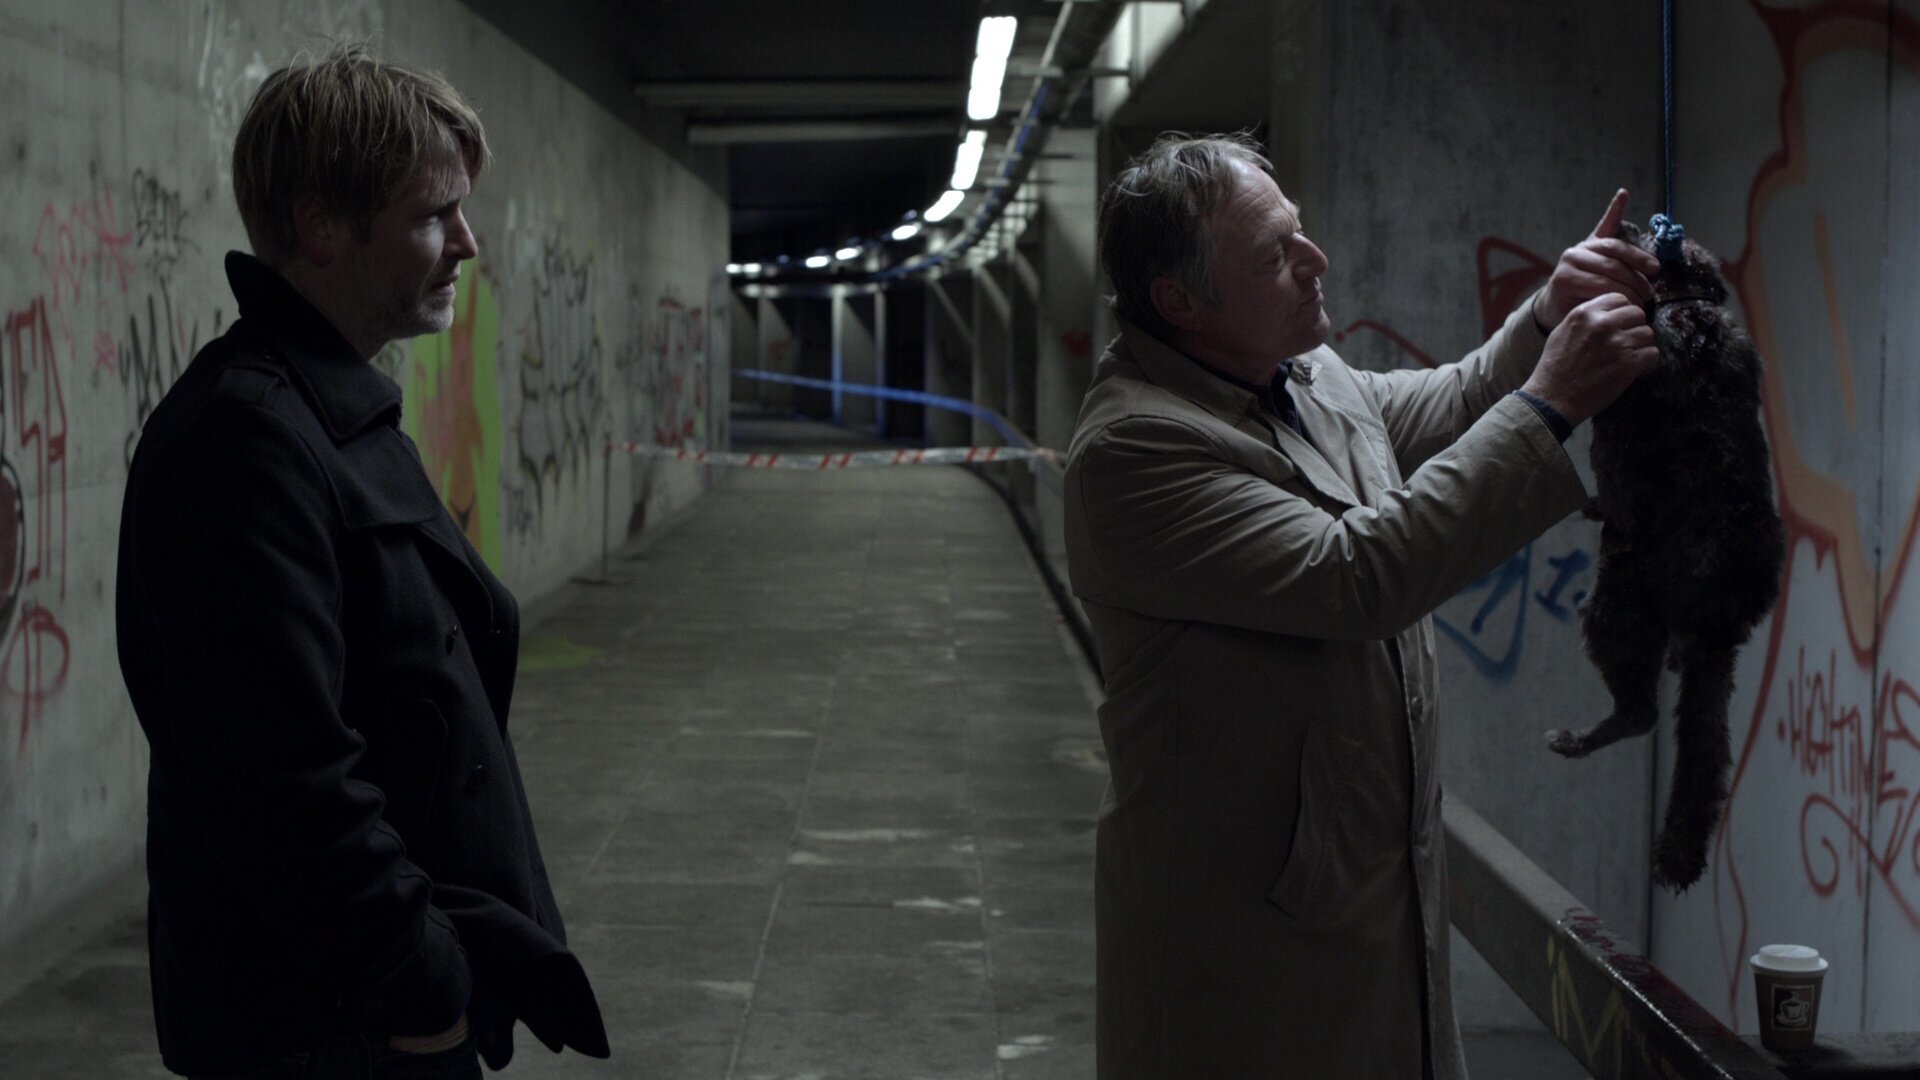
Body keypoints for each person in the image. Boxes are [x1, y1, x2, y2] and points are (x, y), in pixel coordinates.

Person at [1062, 133, 1662, 1078]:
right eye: (1276, 255)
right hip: (1238, 940)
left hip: (1353, 895)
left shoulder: (1300, 373)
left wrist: (1548, 314)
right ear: (1180, 303)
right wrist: (1552, 403)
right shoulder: (1135, 451)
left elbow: (1456, 399)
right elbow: (1358, 575)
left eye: (1299, 230)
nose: (1316, 260)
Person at [116, 44, 609, 1079]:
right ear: (320, 229)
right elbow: (284, 782)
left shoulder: (323, 412)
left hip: (359, 1005)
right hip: (331, 1022)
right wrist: (422, 985)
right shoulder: (244, 442)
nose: (466, 242)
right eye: (435, 214)